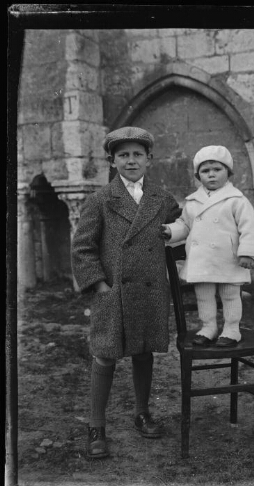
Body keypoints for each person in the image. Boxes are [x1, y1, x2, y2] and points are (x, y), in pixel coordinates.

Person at [71, 126, 181, 459]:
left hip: (149, 290)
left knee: (143, 350)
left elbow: (183, 225)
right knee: (105, 353)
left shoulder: (162, 198)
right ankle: (96, 425)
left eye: (137, 154)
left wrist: (181, 230)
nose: (130, 161)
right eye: (123, 155)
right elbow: (82, 247)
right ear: (112, 161)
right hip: (114, 292)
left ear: (149, 159)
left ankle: (142, 411)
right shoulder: (101, 199)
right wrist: (99, 285)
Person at [162, 145, 254, 348]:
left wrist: (248, 253)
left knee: (230, 295)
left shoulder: (236, 200)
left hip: (228, 260)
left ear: (228, 172)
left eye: (217, 169)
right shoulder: (193, 202)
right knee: (204, 296)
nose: (212, 175)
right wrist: (171, 231)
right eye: (205, 171)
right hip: (202, 261)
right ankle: (208, 327)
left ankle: (232, 329)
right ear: (198, 176)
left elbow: (249, 227)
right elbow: (185, 225)